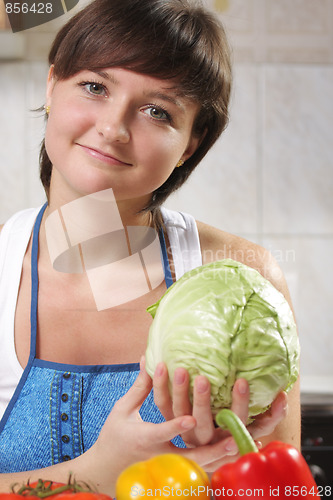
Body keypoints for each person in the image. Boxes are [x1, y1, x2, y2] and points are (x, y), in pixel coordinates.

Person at [0, 0, 300, 495]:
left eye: (157, 111)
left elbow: (278, 490)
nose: (114, 128)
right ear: (52, 85)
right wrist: (95, 478)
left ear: (191, 145)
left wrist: (221, 467)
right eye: (95, 87)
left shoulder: (243, 278)